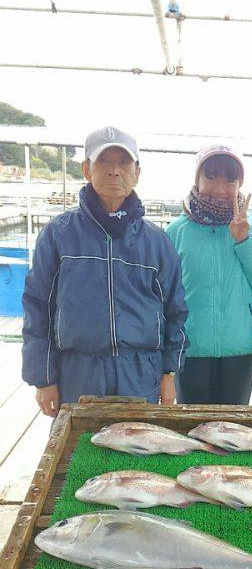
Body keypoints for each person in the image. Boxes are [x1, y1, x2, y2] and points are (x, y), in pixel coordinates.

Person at [22, 126, 187, 417]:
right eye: (103, 162)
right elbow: (38, 308)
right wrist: (43, 378)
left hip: (141, 374)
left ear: (137, 172)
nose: (114, 172)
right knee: (80, 457)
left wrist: (169, 373)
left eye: (123, 163)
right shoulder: (57, 235)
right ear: (87, 169)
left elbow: (175, 312)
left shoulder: (157, 242)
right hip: (77, 373)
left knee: (139, 454)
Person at [166, 144, 252, 404]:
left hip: (240, 350)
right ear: (197, 179)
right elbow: (163, 297)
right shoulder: (176, 231)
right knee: (193, 430)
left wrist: (244, 240)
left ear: (240, 184)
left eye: (230, 179)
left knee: (233, 431)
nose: (220, 187)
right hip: (190, 350)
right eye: (210, 177)